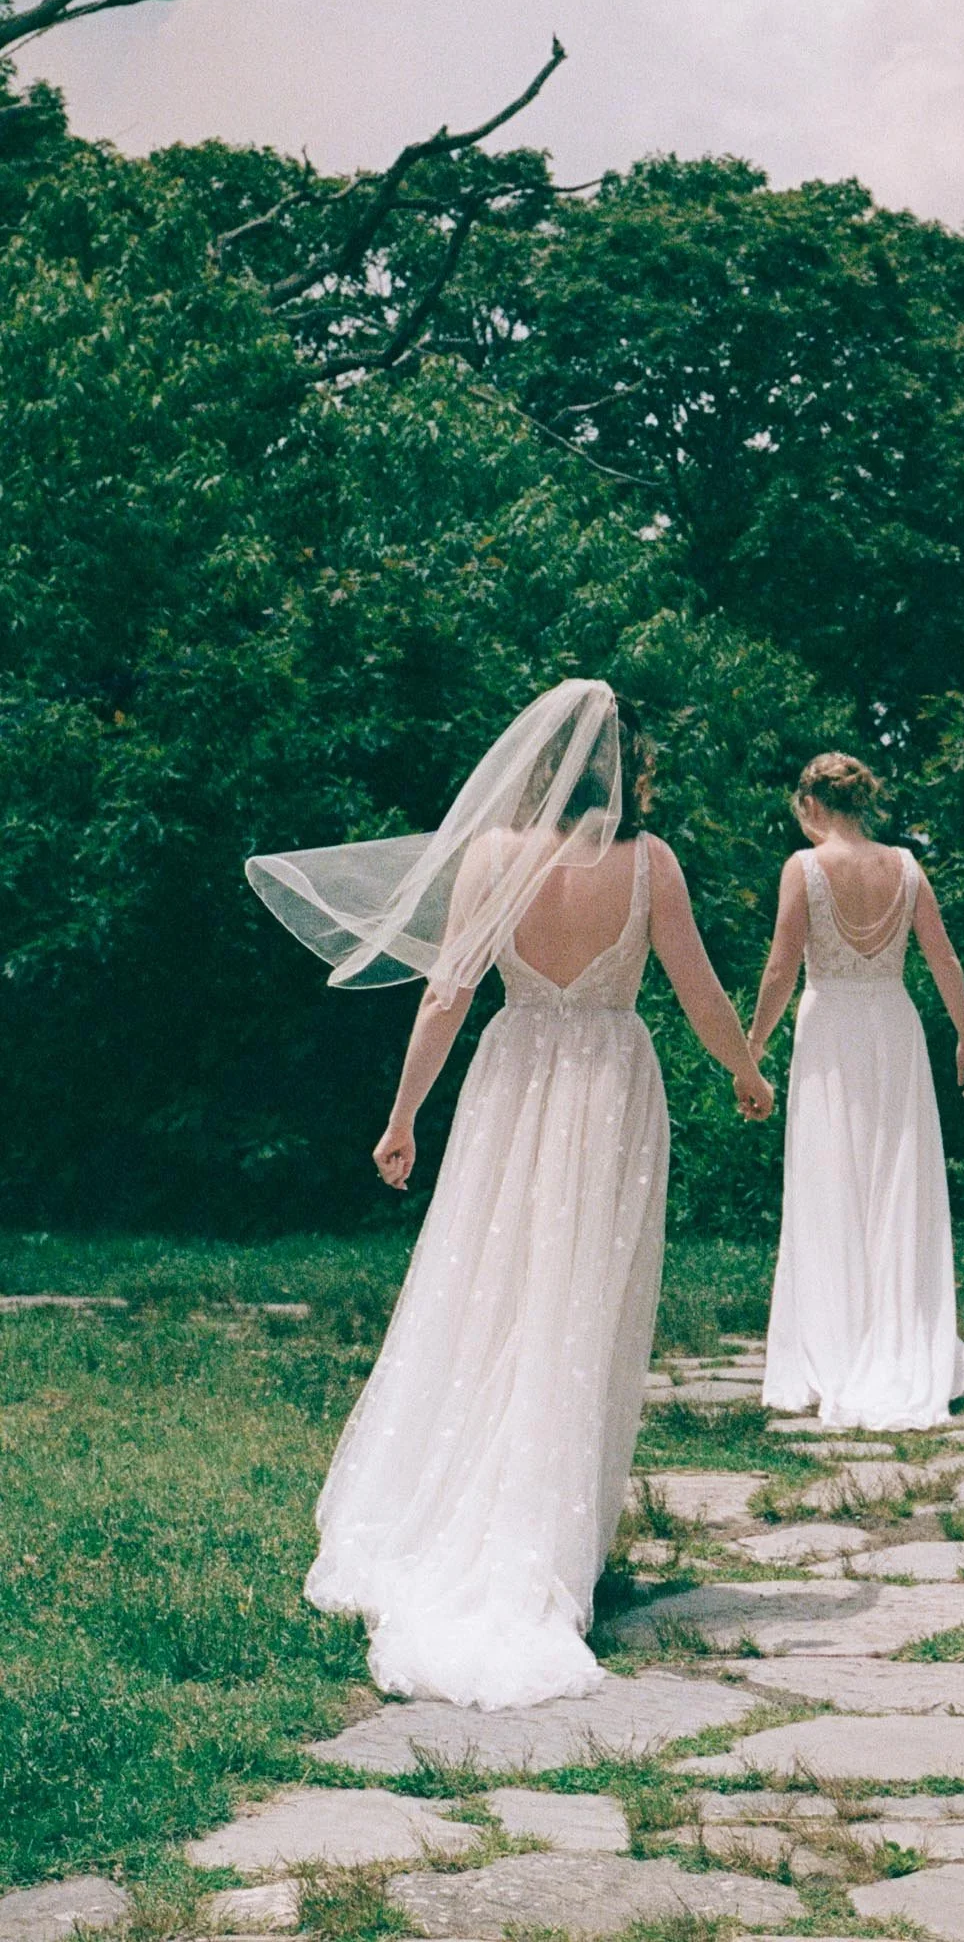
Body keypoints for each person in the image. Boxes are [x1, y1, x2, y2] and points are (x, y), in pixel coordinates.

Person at [246, 681, 772, 1709]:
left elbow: (446, 995)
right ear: (628, 769)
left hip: (511, 1081)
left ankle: (469, 1513)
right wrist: (745, 1073)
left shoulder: (490, 857)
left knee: (488, 1284)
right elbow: (701, 990)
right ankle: (546, 1536)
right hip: (610, 1086)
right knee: (578, 1301)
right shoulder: (649, 865)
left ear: (536, 768)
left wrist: (402, 1118)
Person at [747, 752, 964, 1431]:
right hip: (894, 1025)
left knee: (832, 1180)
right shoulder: (907, 867)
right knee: (895, 1180)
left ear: (811, 805)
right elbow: (944, 957)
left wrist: (753, 1050)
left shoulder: (804, 867)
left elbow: (779, 966)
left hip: (830, 1030)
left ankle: (838, 1344)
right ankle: (897, 1339)